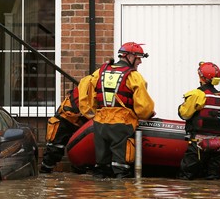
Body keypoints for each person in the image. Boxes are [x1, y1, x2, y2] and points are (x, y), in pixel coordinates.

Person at [78, 42, 155, 178]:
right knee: (121, 169)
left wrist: (91, 114)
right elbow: (143, 107)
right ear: (129, 56)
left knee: (102, 168)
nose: (140, 62)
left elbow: (86, 92)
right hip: (122, 124)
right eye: (138, 58)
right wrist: (147, 114)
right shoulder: (134, 76)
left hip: (100, 123)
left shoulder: (99, 72)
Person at [177, 61, 220, 180]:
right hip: (218, 145)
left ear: (200, 76)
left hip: (198, 144)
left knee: (186, 176)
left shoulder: (197, 95)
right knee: (213, 177)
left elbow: (185, 114)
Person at [40, 82, 89, 173]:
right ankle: (45, 172)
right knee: (54, 148)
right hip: (66, 118)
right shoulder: (92, 82)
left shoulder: (93, 80)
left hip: (77, 119)